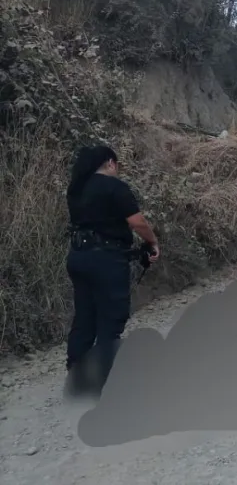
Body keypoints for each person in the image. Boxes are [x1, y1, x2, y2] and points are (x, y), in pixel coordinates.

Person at [64, 145, 160, 397]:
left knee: (85, 318)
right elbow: (137, 222)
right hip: (106, 260)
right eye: (116, 165)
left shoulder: (75, 190)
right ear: (110, 163)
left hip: (78, 257)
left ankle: (77, 377)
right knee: (111, 319)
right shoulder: (114, 187)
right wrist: (152, 242)